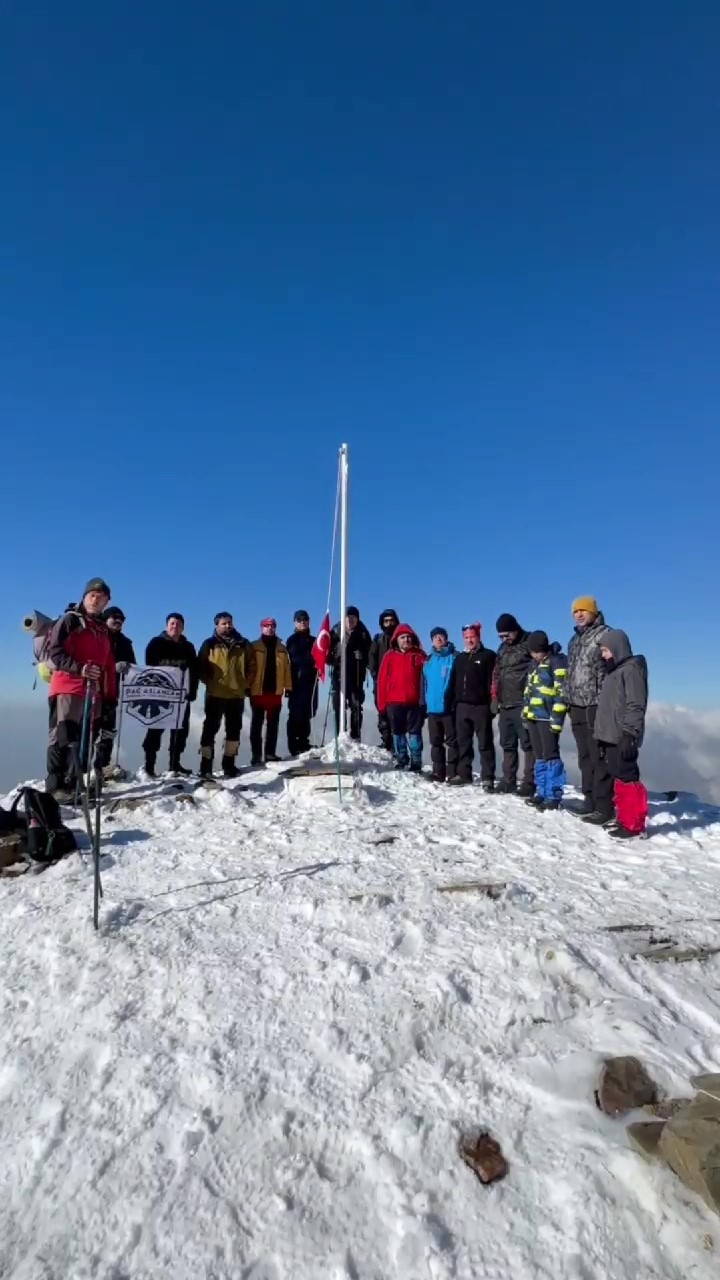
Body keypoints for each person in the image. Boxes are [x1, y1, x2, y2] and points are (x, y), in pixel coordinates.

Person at [45, 578, 117, 799]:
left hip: (91, 691)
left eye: (101, 597)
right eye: (92, 595)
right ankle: (56, 787)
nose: (95, 600)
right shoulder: (70, 620)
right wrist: (80, 669)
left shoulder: (101, 629)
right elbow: (55, 653)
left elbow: (107, 665)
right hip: (68, 685)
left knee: (82, 740)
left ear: (106, 601)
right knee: (63, 736)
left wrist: (109, 695)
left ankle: (74, 782)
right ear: (84, 597)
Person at [593, 629, 649, 839]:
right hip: (611, 735)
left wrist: (630, 733)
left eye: (606, 650)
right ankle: (624, 819)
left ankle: (634, 825)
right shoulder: (614, 671)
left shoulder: (631, 670)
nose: (604, 655)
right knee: (619, 777)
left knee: (628, 778)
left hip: (623, 735)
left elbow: (636, 704)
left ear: (617, 648)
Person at [565, 596, 613, 823]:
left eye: (584, 610)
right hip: (575, 705)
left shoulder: (606, 635)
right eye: (576, 611)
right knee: (584, 757)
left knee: (599, 757)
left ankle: (604, 807)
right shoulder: (574, 640)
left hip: (596, 705)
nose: (579, 614)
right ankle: (590, 800)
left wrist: (608, 701)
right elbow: (569, 672)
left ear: (594, 612)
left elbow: (613, 670)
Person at [143, 613, 199, 777]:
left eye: (179, 624)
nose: (175, 626)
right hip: (160, 695)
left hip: (182, 696)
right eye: (172, 623)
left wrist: (192, 692)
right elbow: (150, 667)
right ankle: (149, 766)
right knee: (155, 729)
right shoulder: (156, 643)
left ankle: (174, 764)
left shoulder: (188, 647)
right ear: (167, 625)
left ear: (183, 627)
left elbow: (194, 670)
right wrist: (174, 666)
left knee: (180, 731)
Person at [197, 612, 250, 778]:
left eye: (229, 623)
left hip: (236, 694)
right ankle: (206, 767)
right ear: (216, 626)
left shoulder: (243, 644)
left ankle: (229, 764)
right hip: (215, 694)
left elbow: (252, 666)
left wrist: (245, 684)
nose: (228, 626)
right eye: (224, 623)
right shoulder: (209, 644)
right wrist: (210, 682)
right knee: (210, 730)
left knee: (234, 731)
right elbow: (201, 666)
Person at [521, 631, 568, 811]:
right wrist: (526, 713)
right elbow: (528, 691)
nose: (534, 655)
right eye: (532, 652)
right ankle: (541, 791)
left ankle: (553, 794)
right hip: (533, 716)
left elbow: (561, 692)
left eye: (537, 652)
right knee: (539, 756)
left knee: (551, 755)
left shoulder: (556, 662)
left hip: (547, 718)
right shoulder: (533, 664)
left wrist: (556, 719)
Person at [448, 623, 496, 789]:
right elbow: (453, 681)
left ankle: (488, 777)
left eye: (472, 637)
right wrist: (452, 702)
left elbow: (493, 681)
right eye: (467, 638)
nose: (469, 640)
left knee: (485, 743)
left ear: (478, 637)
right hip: (462, 706)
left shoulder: (488, 656)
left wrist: (493, 703)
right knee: (463, 743)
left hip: (481, 706)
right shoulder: (460, 658)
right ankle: (464, 774)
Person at [493, 613, 535, 796]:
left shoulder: (529, 642)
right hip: (506, 704)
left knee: (528, 744)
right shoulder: (502, 648)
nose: (504, 639)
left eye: (506, 635)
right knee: (507, 743)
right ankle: (508, 780)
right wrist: (495, 698)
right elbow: (496, 674)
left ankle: (529, 782)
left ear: (515, 629)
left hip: (523, 702)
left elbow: (542, 661)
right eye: (501, 636)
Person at [376, 624, 426, 771]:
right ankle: (402, 758)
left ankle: (416, 761)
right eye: (403, 637)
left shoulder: (420, 656)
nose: (406, 640)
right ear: (397, 640)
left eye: (409, 637)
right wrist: (382, 704)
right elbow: (382, 680)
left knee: (415, 733)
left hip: (414, 702)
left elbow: (426, 680)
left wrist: (425, 703)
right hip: (394, 701)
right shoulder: (389, 656)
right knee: (398, 732)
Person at [95, 606, 137, 772]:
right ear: (105, 618)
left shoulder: (125, 642)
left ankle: (102, 768)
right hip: (92, 691)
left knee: (108, 732)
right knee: (89, 733)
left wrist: (128, 668)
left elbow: (133, 666)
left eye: (121, 619)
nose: (118, 621)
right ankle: (81, 772)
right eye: (114, 617)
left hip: (112, 692)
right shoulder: (96, 637)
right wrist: (113, 667)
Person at [246, 618, 292, 765]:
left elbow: (286, 669)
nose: (270, 628)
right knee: (257, 723)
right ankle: (256, 755)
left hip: (275, 691)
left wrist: (288, 687)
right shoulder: (254, 646)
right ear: (261, 628)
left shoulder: (281, 648)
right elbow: (247, 667)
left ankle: (270, 753)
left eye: (272, 626)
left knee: (273, 724)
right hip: (258, 691)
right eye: (267, 626)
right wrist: (247, 685)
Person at [329, 607, 372, 741]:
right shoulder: (335, 632)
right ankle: (339, 736)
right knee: (338, 706)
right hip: (338, 676)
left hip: (356, 676)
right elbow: (327, 655)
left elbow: (370, 654)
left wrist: (362, 657)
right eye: (347, 617)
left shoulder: (363, 633)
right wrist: (337, 654)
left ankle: (355, 736)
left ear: (357, 619)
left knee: (356, 705)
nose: (350, 620)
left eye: (353, 617)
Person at [423, 627, 458, 783]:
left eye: (441, 636)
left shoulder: (454, 657)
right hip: (432, 708)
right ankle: (438, 771)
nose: (438, 639)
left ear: (446, 639)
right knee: (435, 742)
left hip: (449, 708)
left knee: (452, 741)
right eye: (435, 637)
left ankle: (452, 772)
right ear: (432, 640)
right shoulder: (428, 660)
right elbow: (424, 683)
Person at [285, 610, 319, 757]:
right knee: (295, 714)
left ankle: (304, 742)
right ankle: (294, 745)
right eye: (299, 620)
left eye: (305, 619)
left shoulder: (314, 641)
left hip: (311, 683)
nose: (302, 622)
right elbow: (289, 662)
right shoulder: (291, 640)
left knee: (307, 713)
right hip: (295, 683)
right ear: (295, 622)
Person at [369, 609, 400, 750]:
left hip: (398, 684)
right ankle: (386, 741)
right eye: (386, 621)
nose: (389, 623)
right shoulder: (378, 639)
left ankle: (397, 744)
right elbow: (372, 659)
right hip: (381, 683)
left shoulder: (401, 639)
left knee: (396, 713)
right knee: (382, 711)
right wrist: (376, 677)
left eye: (391, 620)